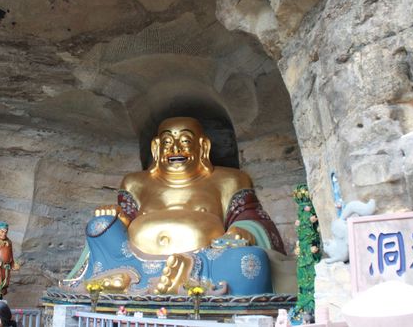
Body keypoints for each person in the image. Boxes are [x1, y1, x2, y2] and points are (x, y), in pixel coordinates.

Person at [63, 117, 286, 295]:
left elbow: (252, 217)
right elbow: (123, 224)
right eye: (168, 142)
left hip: (205, 261)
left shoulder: (229, 180)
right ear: (156, 147)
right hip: (133, 259)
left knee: (250, 261)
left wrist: (241, 230)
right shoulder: (136, 182)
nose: (175, 148)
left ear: (203, 146)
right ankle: (132, 277)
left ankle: (161, 280)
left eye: (185, 141)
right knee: (98, 226)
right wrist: (115, 216)